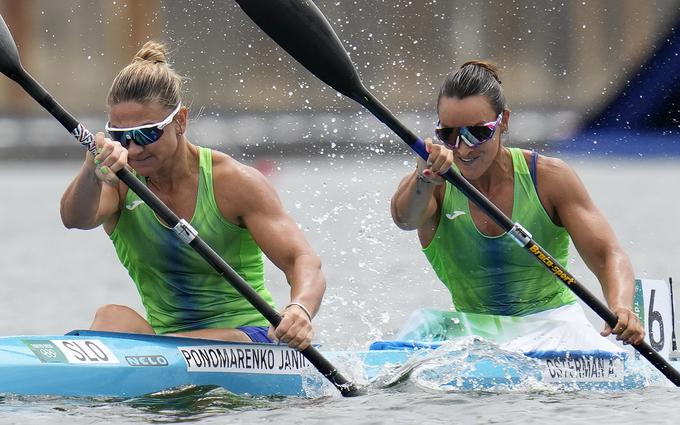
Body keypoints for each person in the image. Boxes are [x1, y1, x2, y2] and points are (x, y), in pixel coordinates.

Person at [60, 41, 324, 350]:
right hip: (169, 345)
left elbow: (302, 259)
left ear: (181, 121)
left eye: (147, 133)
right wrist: (91, 167)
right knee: (111, 317)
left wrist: (300, 309)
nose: (133, 149)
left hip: (252, 340)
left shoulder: (234, 183)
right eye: (121, 136)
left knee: (147, 338)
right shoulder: (117, 181)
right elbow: (75, 219)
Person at [390, 60, 644, 346]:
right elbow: (405, 220)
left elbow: (608, 254)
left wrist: (622, 307)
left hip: (553, 325)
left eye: (478, 132)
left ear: (504, 122)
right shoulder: (432, 183)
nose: (463, 147)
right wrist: (423, 179)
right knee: (421, 323)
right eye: (449, 134)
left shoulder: (549, 178)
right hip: (475, 331)